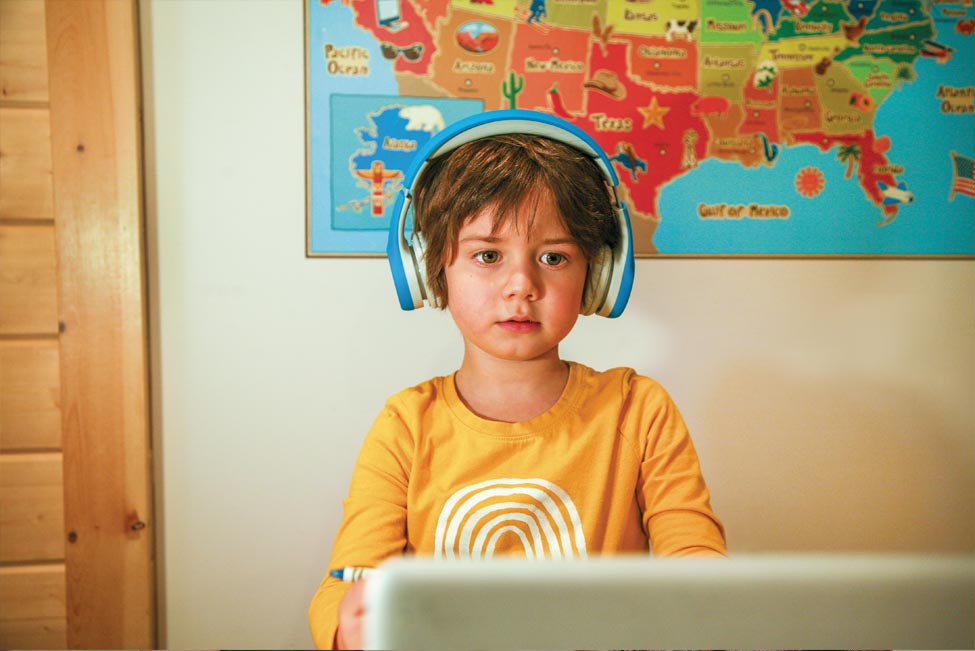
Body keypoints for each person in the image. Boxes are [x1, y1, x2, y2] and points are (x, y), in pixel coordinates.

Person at [308, 110, 726, 649]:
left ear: (596, 275)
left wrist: (700, 600)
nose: (522, 285)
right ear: (432, 269)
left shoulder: (638, 410)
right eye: (487, 255)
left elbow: (695, 556)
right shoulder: (405, 426)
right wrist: (353, 625)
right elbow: (346, 581)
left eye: (554, 257)